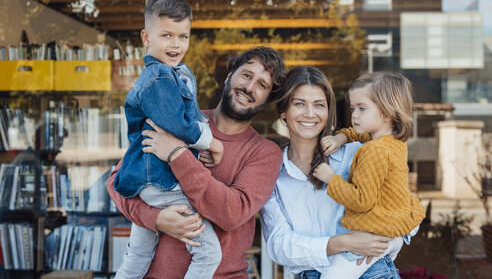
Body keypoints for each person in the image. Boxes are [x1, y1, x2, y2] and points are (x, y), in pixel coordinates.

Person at [107, 46, 285, 278]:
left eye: (262, 85)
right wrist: (156, 219)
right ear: (230, 75)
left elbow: (231, 213)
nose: (250, 88)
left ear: (267, 98)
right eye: (247, 75)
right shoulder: (180, 121)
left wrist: (178, 155)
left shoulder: (264, 152)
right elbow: (117, 182)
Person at [113, 0, 225, 279]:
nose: (176, 44)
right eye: (166, 35)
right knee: (209, 253)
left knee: (138, 255)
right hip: (164, 184)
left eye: (183, 36)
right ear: (146, 37)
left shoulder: (173, 74)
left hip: (147, 182)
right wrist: (210, 141)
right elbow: (178, 124)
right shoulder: (160, 78)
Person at [260, 66, 402, 279]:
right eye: (299, 104)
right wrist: (341, 243)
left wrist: (387, 241)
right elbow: (280, 246)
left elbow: (406, 211)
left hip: (371, 271)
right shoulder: (272, 174)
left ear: (328, 112)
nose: (310, 114)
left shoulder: (357, 155)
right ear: (283, 111)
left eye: (319, 105)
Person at [313, 71, 426, 278]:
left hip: (374, 232)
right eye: (353, 108)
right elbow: (359, 133)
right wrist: (340, 138)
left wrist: (331, 179)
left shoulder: (373, 150)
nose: (354, 115)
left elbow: (361, 200)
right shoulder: (392, 142)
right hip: (396, 226)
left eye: (362, 108)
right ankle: (391, 244)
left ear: (386, 112)